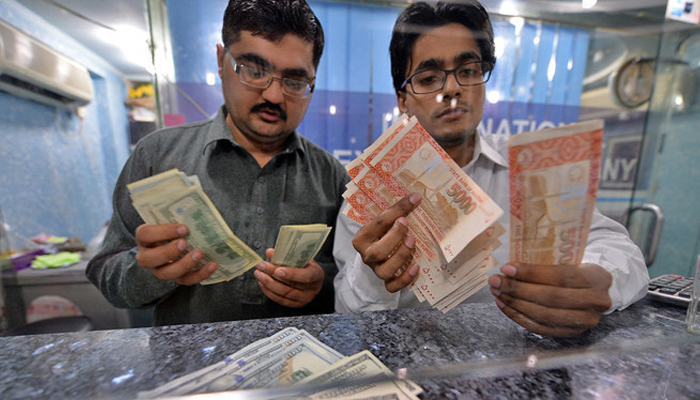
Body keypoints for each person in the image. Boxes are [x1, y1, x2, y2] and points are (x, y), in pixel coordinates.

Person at [333, 0, 649, 338]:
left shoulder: (527, 170)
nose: (452, 89)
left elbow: (616, 247)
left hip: (520, 360)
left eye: (468, 71)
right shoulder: (370, 193)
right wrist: (372, 275)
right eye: (428, 78)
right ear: (403, 99)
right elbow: (347, 318)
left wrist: (600, 282)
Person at [87, 0, 349, 326]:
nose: (274, 96)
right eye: (255, 71)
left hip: (293, 370)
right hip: (188, 370)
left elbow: (349, 277)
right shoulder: (156, 155)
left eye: (295, 81)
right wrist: (150, 271)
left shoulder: (332, 177)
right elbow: (107, 275)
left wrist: (319, 285)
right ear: (221, 60)